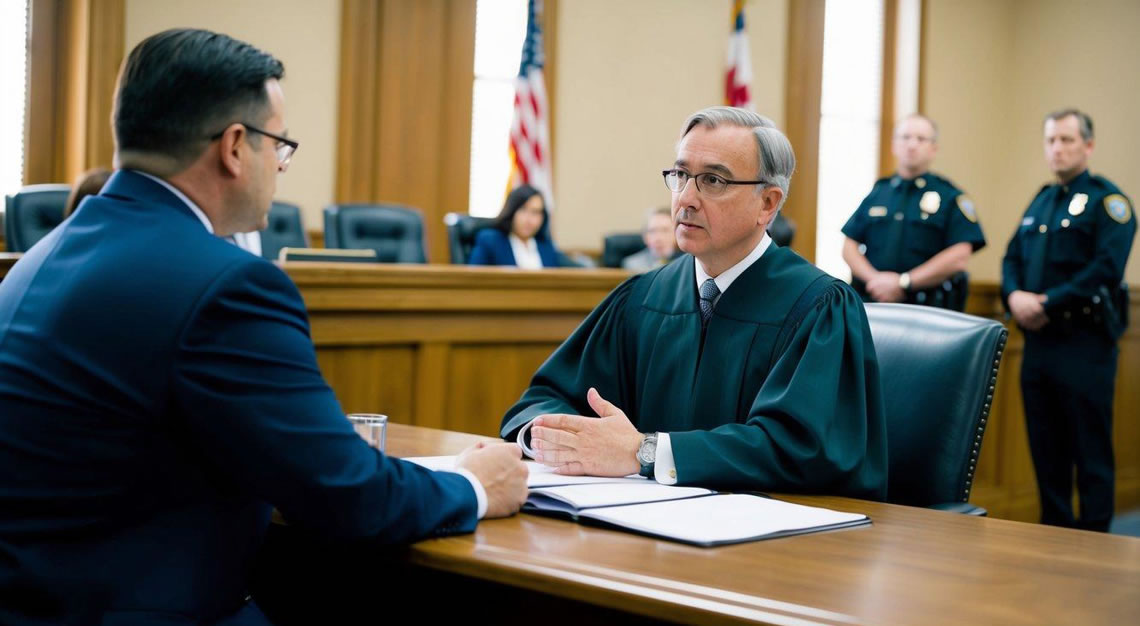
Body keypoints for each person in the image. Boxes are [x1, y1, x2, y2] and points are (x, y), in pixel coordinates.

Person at [0, 29, 528, 625]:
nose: (281, 166)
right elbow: (349, 499)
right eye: (279, 145)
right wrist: (474, 485)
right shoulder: (226, 285)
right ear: (233, 147)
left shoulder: (38, 258)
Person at [499, 106, 887, 500]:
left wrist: (646, 453)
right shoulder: (644, 298)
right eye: (681, 175)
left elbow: (804, 451)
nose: (686, 198)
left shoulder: (819, 308)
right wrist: (549, 438)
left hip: (764, 544)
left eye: (713, 181)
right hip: (638, 531)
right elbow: (544, 400)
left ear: (768, 204)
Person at [1001, 108, 1134, 533]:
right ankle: (1053, 536)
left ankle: (1096, 541)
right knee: (1046, 449)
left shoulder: (1107, 202)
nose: (1057, 148)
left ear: (1088, 146)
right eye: (1051, 141)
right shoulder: (1042, 199)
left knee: (1089, 451)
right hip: (1039, 346)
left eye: (1067, 140)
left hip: (1085, 344)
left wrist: (1046, 302)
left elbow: (1105, 269)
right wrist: (1015, 296)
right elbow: (1011, 257)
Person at [841, 114, 986, 310]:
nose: (912, 144)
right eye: (905, 137)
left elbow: (960, 255)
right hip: (873, 303)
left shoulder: (950, 196)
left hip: (926, 308)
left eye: (920, 139)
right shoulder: (879, 192)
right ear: (894, 145)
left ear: (934, 149)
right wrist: (876, 280)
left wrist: (904, 282)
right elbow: (849, 247)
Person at [468, 184, 569, 268]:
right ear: (512, 211)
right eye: (523, 210)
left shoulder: (546, 246)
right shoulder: (490, 241)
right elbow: (472, 280)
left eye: (535, 212)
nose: (529, 219)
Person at [621, 206, 678, 272]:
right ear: (645, 237)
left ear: (676, 234)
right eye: (652, 231)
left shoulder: (687, 262)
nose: (658, 238)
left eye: (665, 230)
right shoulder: (632, 265)